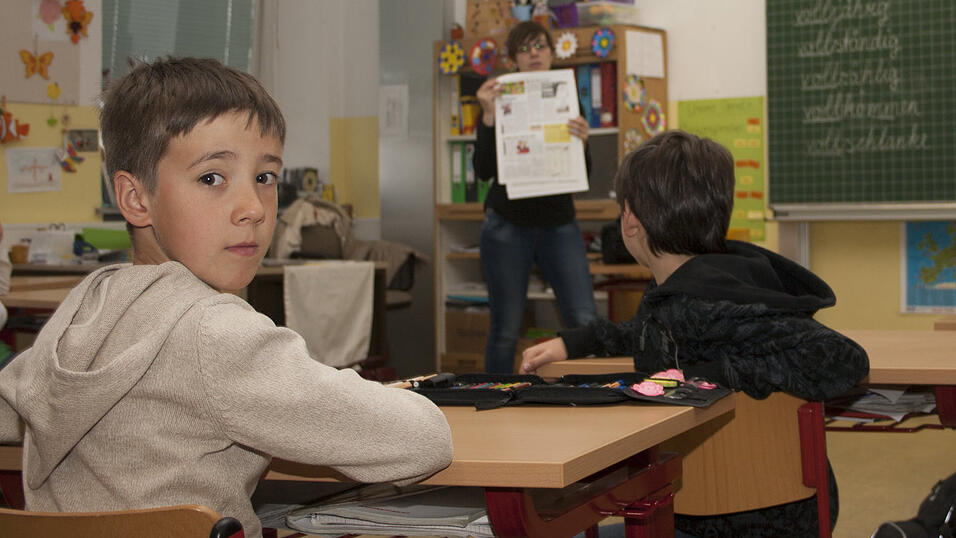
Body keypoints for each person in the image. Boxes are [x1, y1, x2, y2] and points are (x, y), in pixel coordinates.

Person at [0, 57, 453, 538]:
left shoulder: (86, 305)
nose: (253, 208)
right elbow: (423, 441)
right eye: (211, 178)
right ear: (136, 199)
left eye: (265, 177)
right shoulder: (214, 332)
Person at [522, 130, 869, 537]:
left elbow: (845, 359)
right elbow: (652, 335)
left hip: (713, 520)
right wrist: (579, 342)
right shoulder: (704, 288)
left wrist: (712, 376)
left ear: (630, 219)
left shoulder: (696, 305)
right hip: (789, 513)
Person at [473, 20, 597, 373]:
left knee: (585, 320)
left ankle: (590, 392)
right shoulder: (498, 99)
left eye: (540, 46)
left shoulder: (566, 98)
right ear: (513, 60)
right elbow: (483, 170)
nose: (534, 54)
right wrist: (487, 117)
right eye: (524, 49)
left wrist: (582, 143)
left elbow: (583, 174)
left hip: (559, 223)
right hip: (507, 224)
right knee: (505, 330)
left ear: (552, 54)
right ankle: (495, 396)